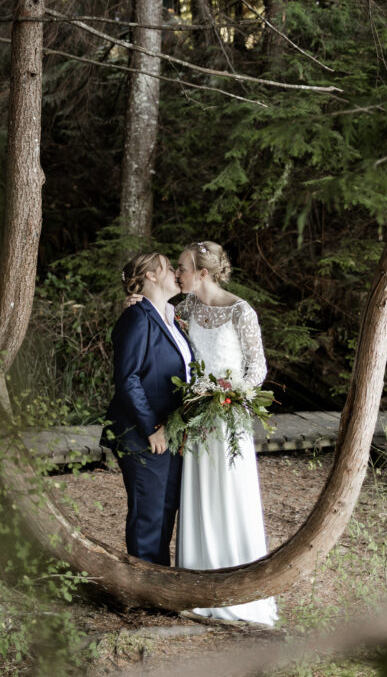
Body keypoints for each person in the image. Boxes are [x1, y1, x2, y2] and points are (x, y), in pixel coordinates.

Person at [173, 240, 277, 625]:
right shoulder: (183, 309)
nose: (176, 273)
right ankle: (198, 583)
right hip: (195, 416)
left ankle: (238, 587)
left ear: (203, 273)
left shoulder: (240, 311)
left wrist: (228, 395)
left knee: (231, 491)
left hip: (228, 416)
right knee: (198, 492)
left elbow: (257, 368)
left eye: (181, 267)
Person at [101, 252, 193, 566]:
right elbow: (127, 378)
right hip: (143, 433)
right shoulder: (137, 316)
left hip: (171, 431)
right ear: (151, 276)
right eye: (169, 268)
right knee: (148, 511)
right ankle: (140, 587)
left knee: (166, 508)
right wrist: (152, 427)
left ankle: (157, 581)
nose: (175, 274)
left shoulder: (171, 315)